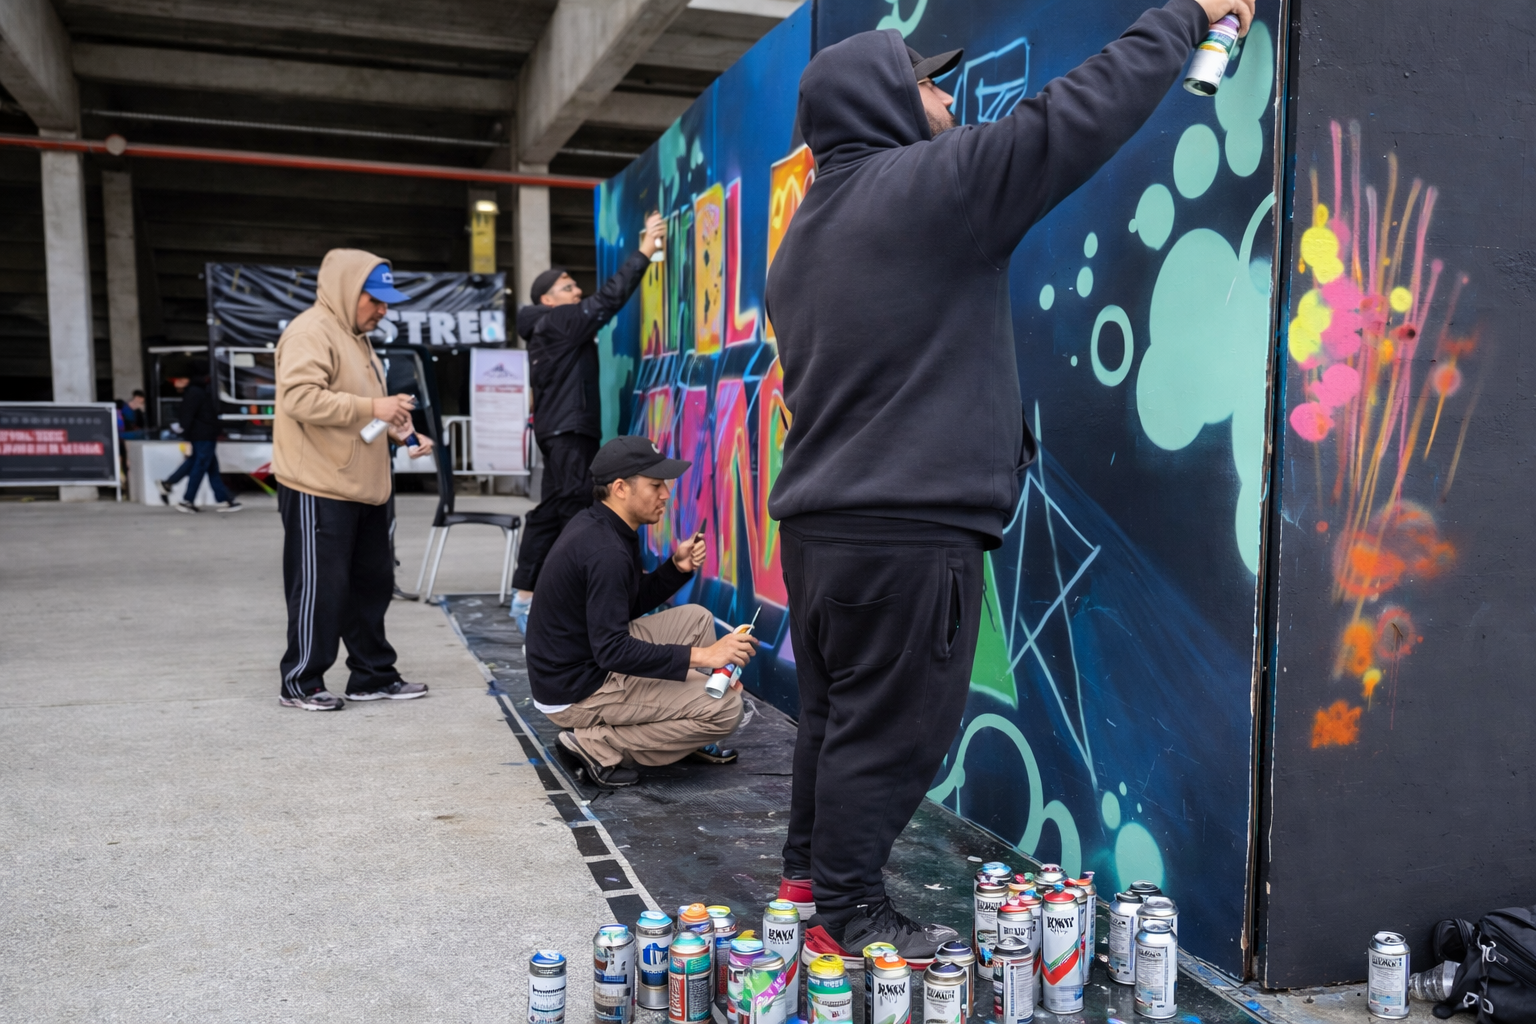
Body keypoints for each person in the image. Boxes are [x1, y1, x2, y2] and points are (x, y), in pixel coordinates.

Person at [762, 0, 1256, 961]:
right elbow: (1072, 118)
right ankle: (846, 914)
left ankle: (804, 885)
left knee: (832, 720)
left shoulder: (802, 242)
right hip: (906, 532)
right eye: (928, 81)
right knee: (897, 735)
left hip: (819, 529)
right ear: (884, 102)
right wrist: (1186, 18)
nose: (947, 95)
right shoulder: (934, 188)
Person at [527, 435, 758, 788]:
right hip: (577, 691)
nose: (666, 493)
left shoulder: (605, 526)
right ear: (620, 488)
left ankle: (681, 738)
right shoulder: (605, 550)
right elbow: (612, 650)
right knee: (725, 709)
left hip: (581, 663)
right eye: (655, 484)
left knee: (694, 617)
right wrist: (706, 656)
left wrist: (675, 569)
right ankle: (594, 745)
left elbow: (624, 607)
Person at [271, 250, 436, 711]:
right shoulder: (310, 331)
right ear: (347, 291)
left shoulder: (355, 338)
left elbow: (364, 410)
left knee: (370, 584)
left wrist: (402, 430)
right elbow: (301, 400)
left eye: (386, 302)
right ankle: (301, 681)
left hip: (364, 485)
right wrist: (372, 408)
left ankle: (371, 675)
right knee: (320, 586)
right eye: (375, 299)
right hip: (318, 484)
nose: (382, 311)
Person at [509, 213, 667, 632]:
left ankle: (526, 595)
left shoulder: (544, 327)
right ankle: (566, 599)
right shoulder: (560, 321)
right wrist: (645, 251)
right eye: (567, 288)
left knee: (553, 507)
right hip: (570, 429)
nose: (577, 291)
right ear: (547, 299)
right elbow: (607, 301)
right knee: (577, 508)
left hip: (557, 429)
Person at [156, 369, 241, 513]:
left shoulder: (192, 393)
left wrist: (186, 435)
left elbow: (186, 417)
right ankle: (188, 499)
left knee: (203, 465)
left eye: (177, 379)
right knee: (202, 466)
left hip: (201, 434)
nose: (175, 383)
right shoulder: (199, 392)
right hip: (205, 434)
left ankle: (173, 487)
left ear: (186, 379)